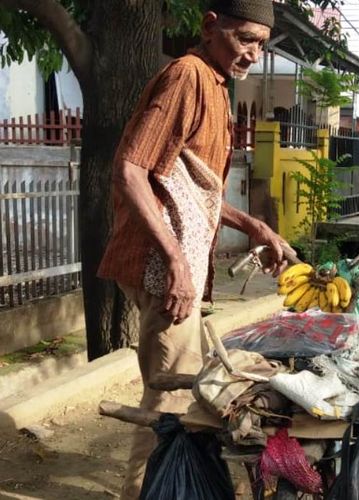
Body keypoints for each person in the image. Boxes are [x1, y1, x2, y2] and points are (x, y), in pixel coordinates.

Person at [96, 1, 290, 497]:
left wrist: (255, 227)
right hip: (161, 267)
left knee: (191, 385)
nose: (252, 54)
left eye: (261, 46)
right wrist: (179, 263)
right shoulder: (187, 76)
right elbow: (131, 169)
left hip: (175, 263)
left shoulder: (216, 84)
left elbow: (195, 192)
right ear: (210, 26)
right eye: (245, 38)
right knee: (169, 401)